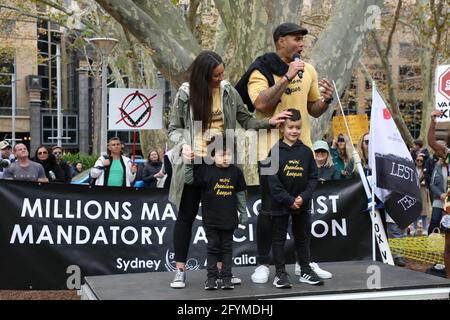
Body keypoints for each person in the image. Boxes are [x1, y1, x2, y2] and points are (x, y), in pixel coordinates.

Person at [167, 50, 290, 289]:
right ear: (204, 75)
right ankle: (180, 270)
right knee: (186, 216)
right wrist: (183, 145)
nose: (221, 78)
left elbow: (246, 119)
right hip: (194, 163)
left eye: (223, 73)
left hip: (221, 164)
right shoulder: (185, 94)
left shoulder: (228, 91)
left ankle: (223, 272)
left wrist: (268, 122)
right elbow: (173, 128)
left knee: (222, 217)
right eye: (216, 75)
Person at [235, 22, 334, 284]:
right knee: (269, 210)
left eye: (303, 39)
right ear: (280, 41)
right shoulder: (261, 70)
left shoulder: (308, 69)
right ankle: (264, 264)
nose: (301, 43)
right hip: (269, 151)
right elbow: (262, 104)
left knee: (303, 209)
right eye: (296, 38)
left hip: (303, 150)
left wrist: (326, 100)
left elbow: (312, 109)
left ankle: (305, 264)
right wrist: (287, 76)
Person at [260, 109, 322, 287]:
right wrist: (289, 200)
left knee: (302, 237)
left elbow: (313, 177)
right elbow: (272, 182)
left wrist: (302, 198)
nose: (294, 131)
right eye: (291, 127)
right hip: (279, 205)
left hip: (302, 204)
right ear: (281, 128)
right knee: (278, 239)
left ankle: (305, 270)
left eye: (298, 127)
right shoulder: (273, 152)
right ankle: (280, 274)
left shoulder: (306, 151)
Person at [193, 136, 248, 290]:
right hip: (211, 219)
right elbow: (189, 180)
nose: (226, 158)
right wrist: (187, 164)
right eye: (221, 155)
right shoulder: (204, 171)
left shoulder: (236, 172)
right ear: (211, 155)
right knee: (212, 247)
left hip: (229, 218)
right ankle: (211, 278)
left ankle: (226, 277)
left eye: (228, 155)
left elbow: (241, 194)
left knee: (227, 248)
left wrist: (243, 213)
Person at [428, 110, 450, 278]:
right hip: (449, 206)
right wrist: (433, 123)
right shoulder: (447, 154)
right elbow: (431, 142)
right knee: (449, 246)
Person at [410, 153, 430, 236]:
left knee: (424, 211)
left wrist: (425, 182)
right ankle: (414, 228)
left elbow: (429, 180)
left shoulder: (425, 170)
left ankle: (424, 229)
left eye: (421, 161)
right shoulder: (412, 170)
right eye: (417, 160)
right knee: (414, 210)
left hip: (422, 191)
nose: (419, 162)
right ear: (415, 161)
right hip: (413, 192)